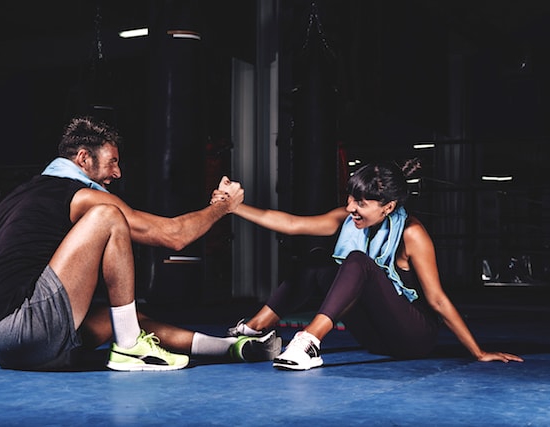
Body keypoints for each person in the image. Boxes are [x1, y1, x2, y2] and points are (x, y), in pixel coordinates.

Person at [0, 116, 280, 372]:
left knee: (126, 318)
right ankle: (129, 349)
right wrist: (222, 208)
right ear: (83, 159)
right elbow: (173, 236)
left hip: (4, 347)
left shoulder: (9, 202)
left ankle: (233, 349)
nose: (117, 174)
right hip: (32, 332)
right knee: (109, 217)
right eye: (112, 162)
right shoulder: (80, 197)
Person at [216, 158, 523, 370]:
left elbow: (438, 300)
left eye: (361, 203)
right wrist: (233, 208)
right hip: (375, 338)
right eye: (350, 199)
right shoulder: (348, 217)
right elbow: (293, 224)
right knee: (316, 262)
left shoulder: (413, 234)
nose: (351, 208)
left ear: (388, 207)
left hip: (413, 338)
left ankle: (308, 342)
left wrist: (479, 352)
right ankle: (257, 330)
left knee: (357, 261)